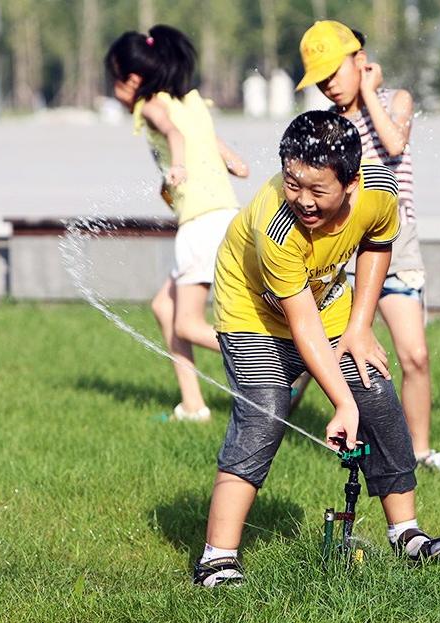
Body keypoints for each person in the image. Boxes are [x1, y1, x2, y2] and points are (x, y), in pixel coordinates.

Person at [192, 111, 440, 587]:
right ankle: (217, 557)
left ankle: (406, 533)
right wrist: (340, 402)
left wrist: (360, 327)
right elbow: (302, 327)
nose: (303, 200)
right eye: (293, 183)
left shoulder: (379, 191)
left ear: (352, 182)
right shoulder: (278, 228)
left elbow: (377, 245)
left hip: (326, 304)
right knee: (267, 408)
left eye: (318, 191)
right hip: (251, 310)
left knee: (375, 395)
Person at [291, 20, 440, 471]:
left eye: (334, 72)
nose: (328, 85)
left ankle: (419, 449)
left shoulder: (394, 100)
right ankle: (273, 424)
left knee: (415, 355)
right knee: (311, 354)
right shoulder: (326, 125)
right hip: (341, 248)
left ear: (360, 62)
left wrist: (367, 94)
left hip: (396, 245)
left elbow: (394, 142)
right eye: (319, 79)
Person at [105, 24, 248, 422]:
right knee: (163, 307)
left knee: (187, 323)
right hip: (226, 217)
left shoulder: (150, 105)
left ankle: (275, 360)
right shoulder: (189, 100)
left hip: (200, 226)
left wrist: (179, 166)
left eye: (113, 79)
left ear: (132, 79)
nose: (113, 90)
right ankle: (193, 404)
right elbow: (209, 140)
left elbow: (172, 134)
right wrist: (234, 162)